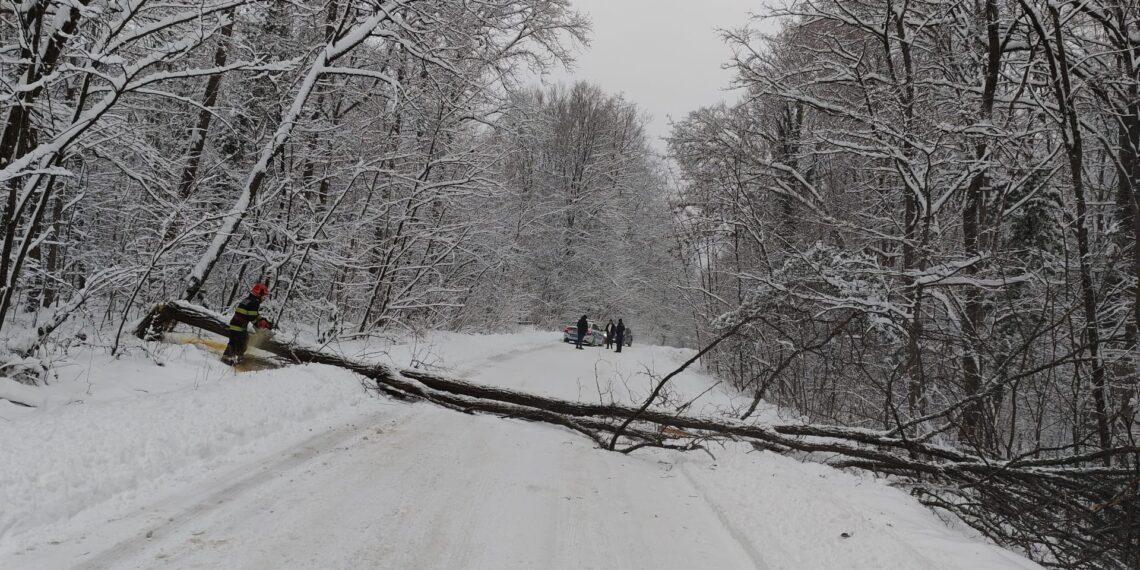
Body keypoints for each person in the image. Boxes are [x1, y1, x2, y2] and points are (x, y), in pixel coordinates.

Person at [222, 282, 271, 365]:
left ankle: (238, 356)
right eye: (264, 296)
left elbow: (252, 314)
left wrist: (262, 319)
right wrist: (259, 325)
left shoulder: (249, 299)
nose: (264, 298)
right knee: (235, 342)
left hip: (237, 324)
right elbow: (252, 317)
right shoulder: (255, 302)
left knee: (244, 340)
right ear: (260, 293)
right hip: (238, 326)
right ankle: (227, 358)